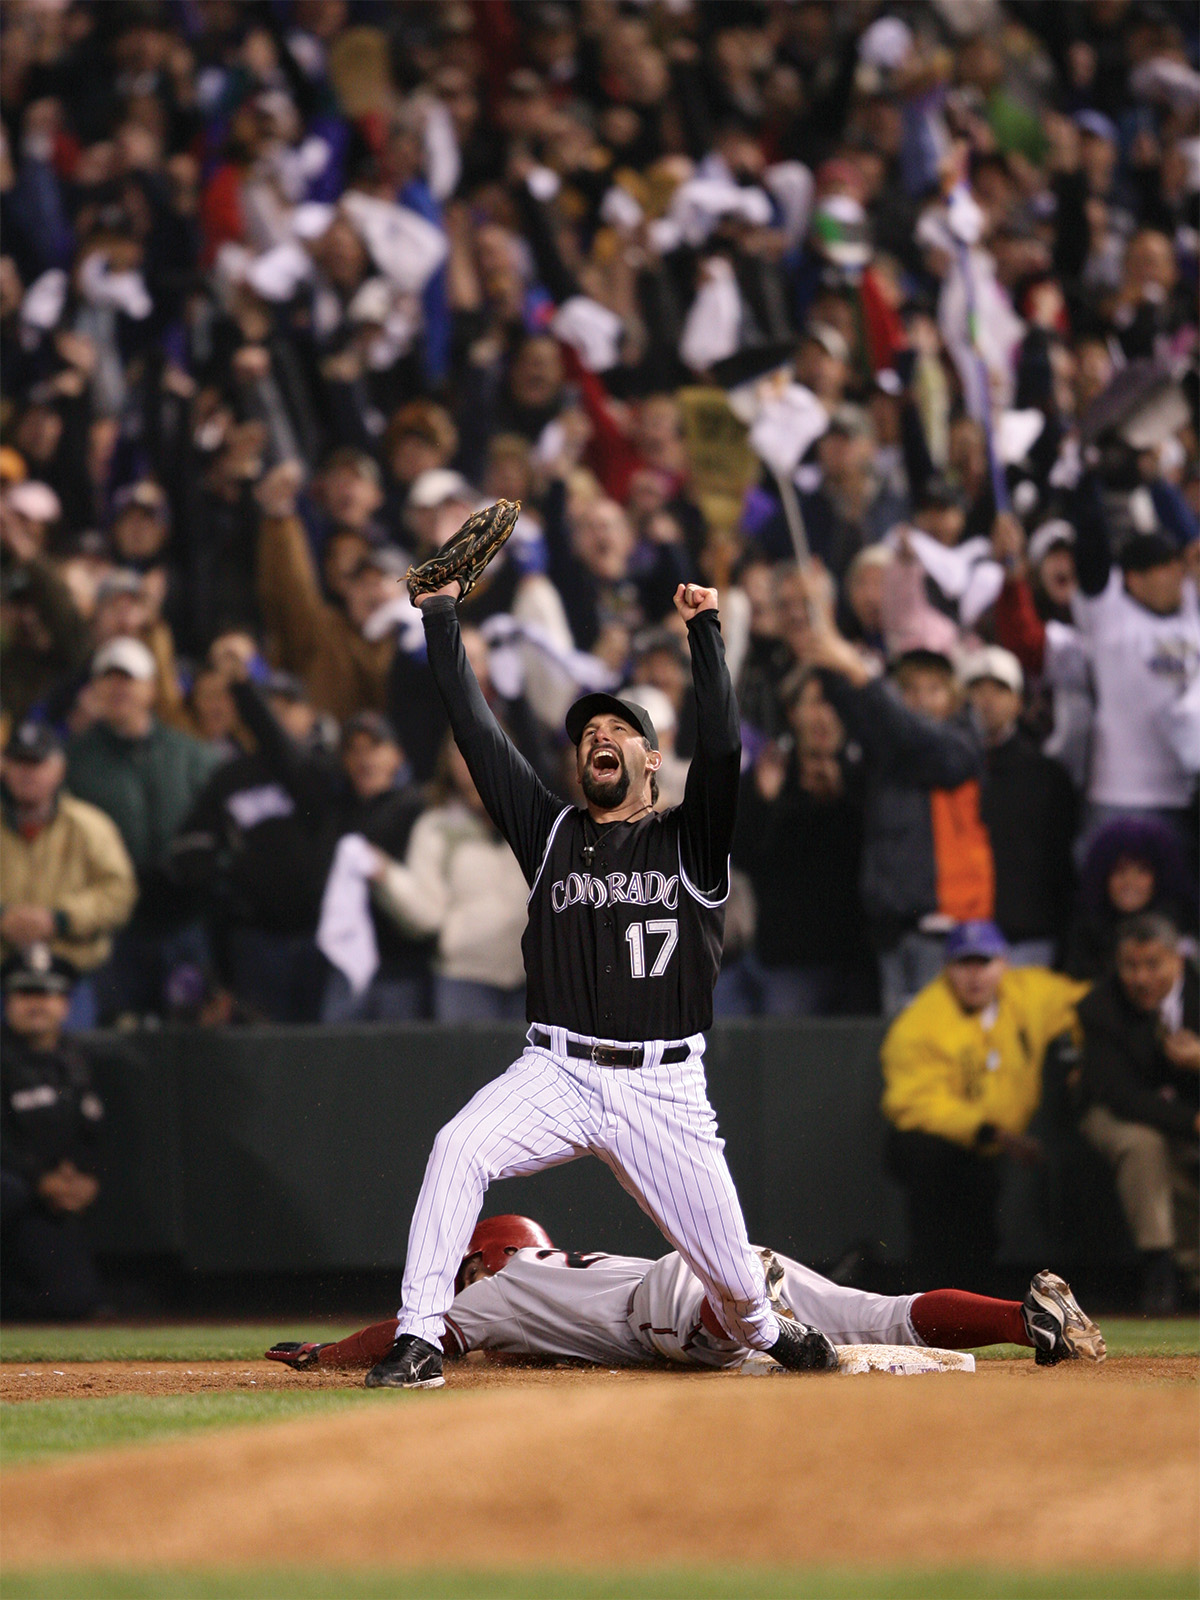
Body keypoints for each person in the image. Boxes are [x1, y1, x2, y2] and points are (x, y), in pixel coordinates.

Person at [368, 573, 837, 1389]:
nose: (599, 738)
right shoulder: (549, 833)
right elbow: (477, 733)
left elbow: (722, 749)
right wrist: (441, 615)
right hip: (557, 1068)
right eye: (589, 732)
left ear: (652, 760)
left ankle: (769, 1326)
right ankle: (420, 1337)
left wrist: (705, 632)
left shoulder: (692, 841)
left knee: (737, 1290)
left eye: (619, 729)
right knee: (458, 1147)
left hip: (663, 1085)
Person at [266, 1213, 1105, 1375]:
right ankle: (1023, 1318)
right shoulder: (554, 1268)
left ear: (486, 1259)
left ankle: (750, 1316)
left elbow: (415, 1335)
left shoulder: (503, 1286)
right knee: (884, 1314)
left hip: (668, 1299)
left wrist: (327, 1354)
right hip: (718, 1256)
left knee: (691, 1330)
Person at [881, 921, 1089, 1291]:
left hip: (991, 1142)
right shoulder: (920, 1022)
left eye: (984, 962)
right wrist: (991, 1132)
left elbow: (1088, 1004)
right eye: (964, 964)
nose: (975, 975)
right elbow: (915, 1103)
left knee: (979, 1213)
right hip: (939, 1139)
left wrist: (1088, 1058)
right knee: (936, 1165)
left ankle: (974, 1293)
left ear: (1004, 963)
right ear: (947, 968)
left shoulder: (1027, 992)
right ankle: (926, 1291)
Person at [65, 637, 223, 1022]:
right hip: (113, 926)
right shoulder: (73, 761)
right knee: (115, 1031)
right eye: (109, 678)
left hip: (184, 919)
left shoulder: (192, 755)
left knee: (192, 1032)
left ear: (151, 688)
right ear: (95, 688)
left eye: (129, 679)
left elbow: (222, 830)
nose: (118, 688)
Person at [1077, 914, 1199, 1316]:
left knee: (1179, 1169)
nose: (1141, 978)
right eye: (1130, 965)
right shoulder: (1100, 1006)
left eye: (1153, 964)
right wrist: (1192, 1122)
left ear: (1177, 960)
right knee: (1144, 1145)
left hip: (1181, 1112)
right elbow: (1123, 1096)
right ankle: (1159, 1271)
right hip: (1114, 1111)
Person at [0, 720, 137, 1029]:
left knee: (75, 1056)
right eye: (19, 762)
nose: (27, 772)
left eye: (37, 763)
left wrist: (61, 919)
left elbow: (120, 892)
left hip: (71, 977)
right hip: (3, 969)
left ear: (59, 769)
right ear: (5, 767)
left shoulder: (90, 825)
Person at [1, 947, 105, 1320]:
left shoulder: (78, 1062)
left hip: (43, 1204)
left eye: (46, 993)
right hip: (14, 1192)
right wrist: (38, 1178)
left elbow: (93, 1134)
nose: (36, 1004)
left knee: (72, 1300)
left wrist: (83, 1177)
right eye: (25, 993)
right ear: (8, 1001)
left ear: (64, 1004)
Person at [962, 646, 1078, 969]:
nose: (987, 701)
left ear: (1018, 702)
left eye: (999, 690)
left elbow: (1060, 862)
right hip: (961, 936)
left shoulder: (1047, 775)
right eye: (977, 689)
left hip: (1028, 935)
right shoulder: (945, 770)